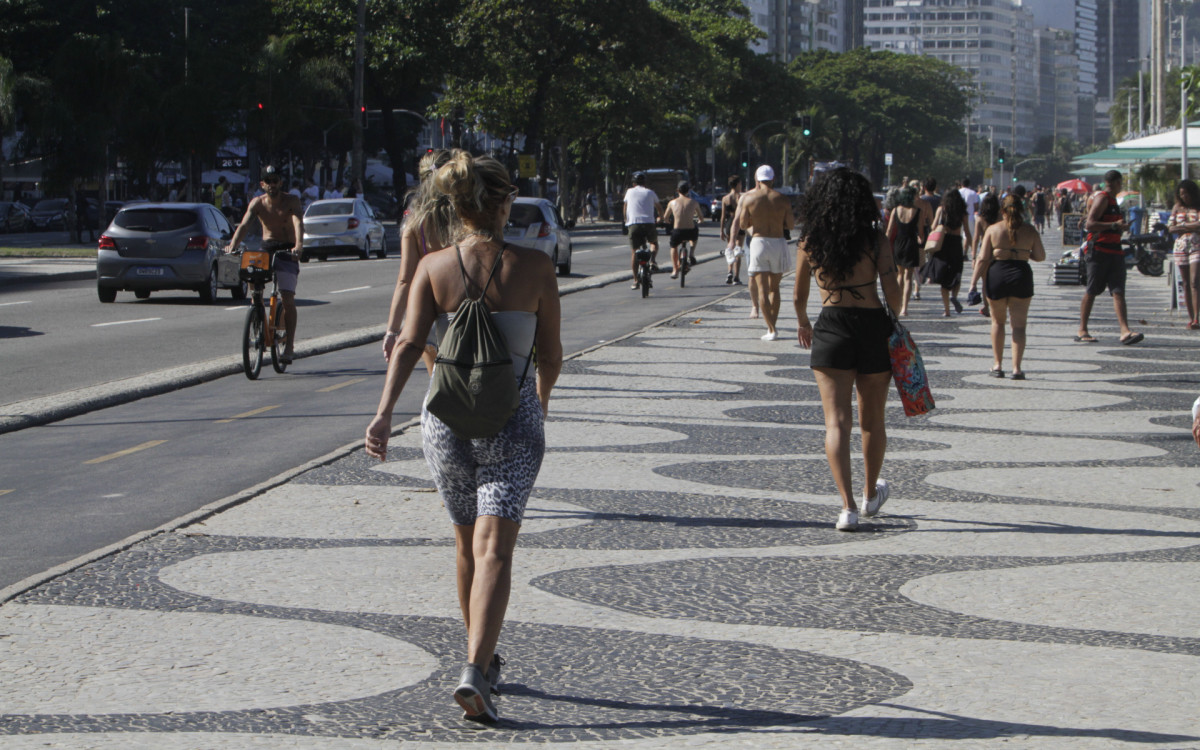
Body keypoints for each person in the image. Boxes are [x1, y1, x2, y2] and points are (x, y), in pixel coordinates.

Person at [364, 152, 562, 724]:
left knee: (464, 543)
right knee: (495, 546)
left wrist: (382, 416)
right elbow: (549, 355)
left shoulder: (433, 266)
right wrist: (540, 403)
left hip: (443, 421)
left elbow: (406, 343)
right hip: (512, 423)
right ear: (503, 204)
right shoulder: (535, 267)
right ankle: (475, 669)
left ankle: (482, 654)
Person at [793, 167, 902, 531]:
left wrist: (804, 323)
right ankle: (871, 495)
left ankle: (848, 508)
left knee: (836, 422)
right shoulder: (876, 241)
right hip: (872, 327)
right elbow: (896, 299)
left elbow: (798, 296)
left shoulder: (810, 241)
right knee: (872, 420)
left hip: (831, 327)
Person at [383, 149, 453, 372]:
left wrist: (393, 331)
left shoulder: (415, 224)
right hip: (466, 308)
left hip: (429, 312)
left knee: (436, 381)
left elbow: (405, 281)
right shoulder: (465, 215)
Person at [226, 166, 304, 363]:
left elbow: (297, 222)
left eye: (275, 180)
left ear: (280, 182)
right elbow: (244, 224)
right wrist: (232, 245)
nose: (272, 184)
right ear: (262, 184)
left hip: (287, 250)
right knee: (254, 285)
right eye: (268, 181)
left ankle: (290, 346)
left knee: (287, 298)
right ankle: (257, 316)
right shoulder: (258, 203)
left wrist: (298, 246)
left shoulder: (291, 201)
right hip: (267, 249)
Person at [971, 194, 1047, 379]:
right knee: (1019, 326)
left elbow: (982, 258)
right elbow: (1040, 256)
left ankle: (997, 365)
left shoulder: (993, 229)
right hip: (1021, 276)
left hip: (997, 275)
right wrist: (1022, 252)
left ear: (1002, 210)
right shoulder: (1029, 230)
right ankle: (1017, 368)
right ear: (1021, 209)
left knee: (997, 322)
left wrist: (972, 284)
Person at [727, 165, 794, 340]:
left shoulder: (749, 199)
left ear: (757, 180)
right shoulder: (783, 199)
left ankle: (771, 329)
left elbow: (742, 225)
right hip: (778, 242)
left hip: (758, 242)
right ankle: (773, 325)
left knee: (762, 289)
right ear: (773, 180)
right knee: (775, 289)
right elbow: (792, 226)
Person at [1077, 170, 1142, 345]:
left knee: (1118, 290)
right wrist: (1114, 224)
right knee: (1092, 290)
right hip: (1099, 251)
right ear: (1118, 183)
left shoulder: (1112, 200)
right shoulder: (1103, 198)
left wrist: (1120, 227)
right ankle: (1082, 329)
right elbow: (1090, 224)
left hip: (1115, 250)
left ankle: (1124, 330)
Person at [923, 189, 971, 316]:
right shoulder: (962, 213)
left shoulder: (941, 210)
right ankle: (954, 295)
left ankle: (947, 310)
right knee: (956, 272)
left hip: (943, 244)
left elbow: (933, 227)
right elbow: (967, 232)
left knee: (944, 277)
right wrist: (969, 250)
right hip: (956, 244)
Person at [885, 185, 923, 316]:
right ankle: (904, 308)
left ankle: (898, 303)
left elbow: (889, 230)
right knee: (908, 276)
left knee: (899, 275)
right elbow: (921, 232)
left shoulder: (896, 210)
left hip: (898, 244)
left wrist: (884, 245)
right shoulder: (917, 211)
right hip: (911, 243)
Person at [1167, 179, 1200, 330]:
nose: (1184, 196)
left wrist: (1182, 226)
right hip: (1180, 246)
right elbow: (1170, 228)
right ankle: (1190, 316)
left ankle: (1196, 318)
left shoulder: (1197, 207)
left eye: (1187, 194)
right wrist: (1187, 226)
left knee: (1194, 281)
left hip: (1196, 244)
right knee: (1185, 283)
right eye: (1182, 194)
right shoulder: (1177, 207)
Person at [623, 172, 662, 287]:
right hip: (649, 223)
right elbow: (659, 207)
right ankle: (653, 260)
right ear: (645, 183)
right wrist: (661, 218)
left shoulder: (629, 192)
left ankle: (635, 281)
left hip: (634, 224)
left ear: (633, 183)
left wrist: (626, 220)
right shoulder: (650, 192)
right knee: (654, 243)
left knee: (634, 252)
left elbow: (625, 207)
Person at [968, 192, 1002, 318]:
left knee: (985, 282)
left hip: (984, 250)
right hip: (998, 249)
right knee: (996, 280)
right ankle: (996, 305)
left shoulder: (980, 219)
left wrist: (973, 257)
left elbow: (976, 239)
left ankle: (987, 307)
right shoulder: (1000, 217)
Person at [663, 180, 702, 278]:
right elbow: (701, 217)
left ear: (677, 190)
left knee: (673, 247)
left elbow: (665, 217)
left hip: (678, 231)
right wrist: (699, 220)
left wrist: (667, 221)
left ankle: (675, 269)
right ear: (688, 191)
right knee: (695, 235)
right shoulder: (694, 202)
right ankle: (692, 253)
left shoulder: (672, 203)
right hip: (690, 231)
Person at [719, 175, 746, 287]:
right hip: (739, 222)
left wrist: (721, 230)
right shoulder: (742, 197)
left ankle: (729, 271)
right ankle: (736, 276)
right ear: (738, 184)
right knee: (738, 249)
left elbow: (722, 216)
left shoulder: (725, 198)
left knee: (730, 249)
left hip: (729, 223)